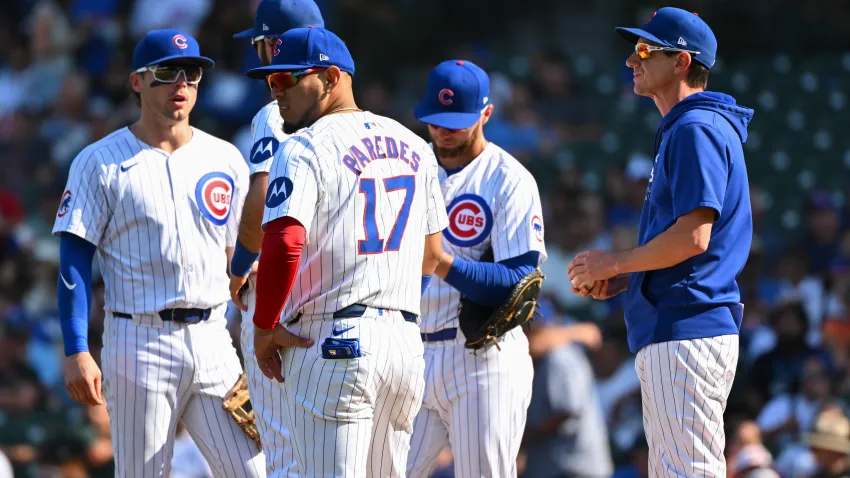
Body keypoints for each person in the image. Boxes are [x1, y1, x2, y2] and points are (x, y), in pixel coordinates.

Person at [53, 29, 264, 477]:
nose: (181, 83)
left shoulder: (225, 158)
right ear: (136, 82)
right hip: (138, 342)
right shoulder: (99, 161)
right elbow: (73, 259)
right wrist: (76, 349)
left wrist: (265, 325)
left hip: (213, 339)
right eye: (167, 72)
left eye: (191, 73)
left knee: (256, 469)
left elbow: (242, 260)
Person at [244, 27, 447, 477]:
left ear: (332, 77)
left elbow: (285, 240)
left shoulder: (302, 145)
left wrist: (264, 327)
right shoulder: (416, 145)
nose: (277, 91)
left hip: (330, 342)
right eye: (271, 81)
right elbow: (432, 255)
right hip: (404, 347)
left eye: (287, 79)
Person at [567, 7, 755, 476]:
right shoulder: (689, 127)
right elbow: (692, 249)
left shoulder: (695, 128)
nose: (633, 59)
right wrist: (630, 276)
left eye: (646, 49)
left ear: (682, 62)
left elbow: (694, 238)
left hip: (686, 326)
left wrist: (615, 264)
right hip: (682, 324)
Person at [405, 59, 548, 478]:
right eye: (436, 119)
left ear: (487, 113)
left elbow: (520, 282)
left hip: (481, 359)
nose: (443, 129)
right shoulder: (405, 167)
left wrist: (443, 264)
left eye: (456, 120)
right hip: (410, 353)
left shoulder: (509, 180)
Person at [229, 1, 324, 476]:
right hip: (337, 299)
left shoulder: (276, 112)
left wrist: (241, 263)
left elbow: (262, 194)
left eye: (259, 44)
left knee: (285, 453)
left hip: (280, 295)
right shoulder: (357, 117)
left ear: (273, 43)